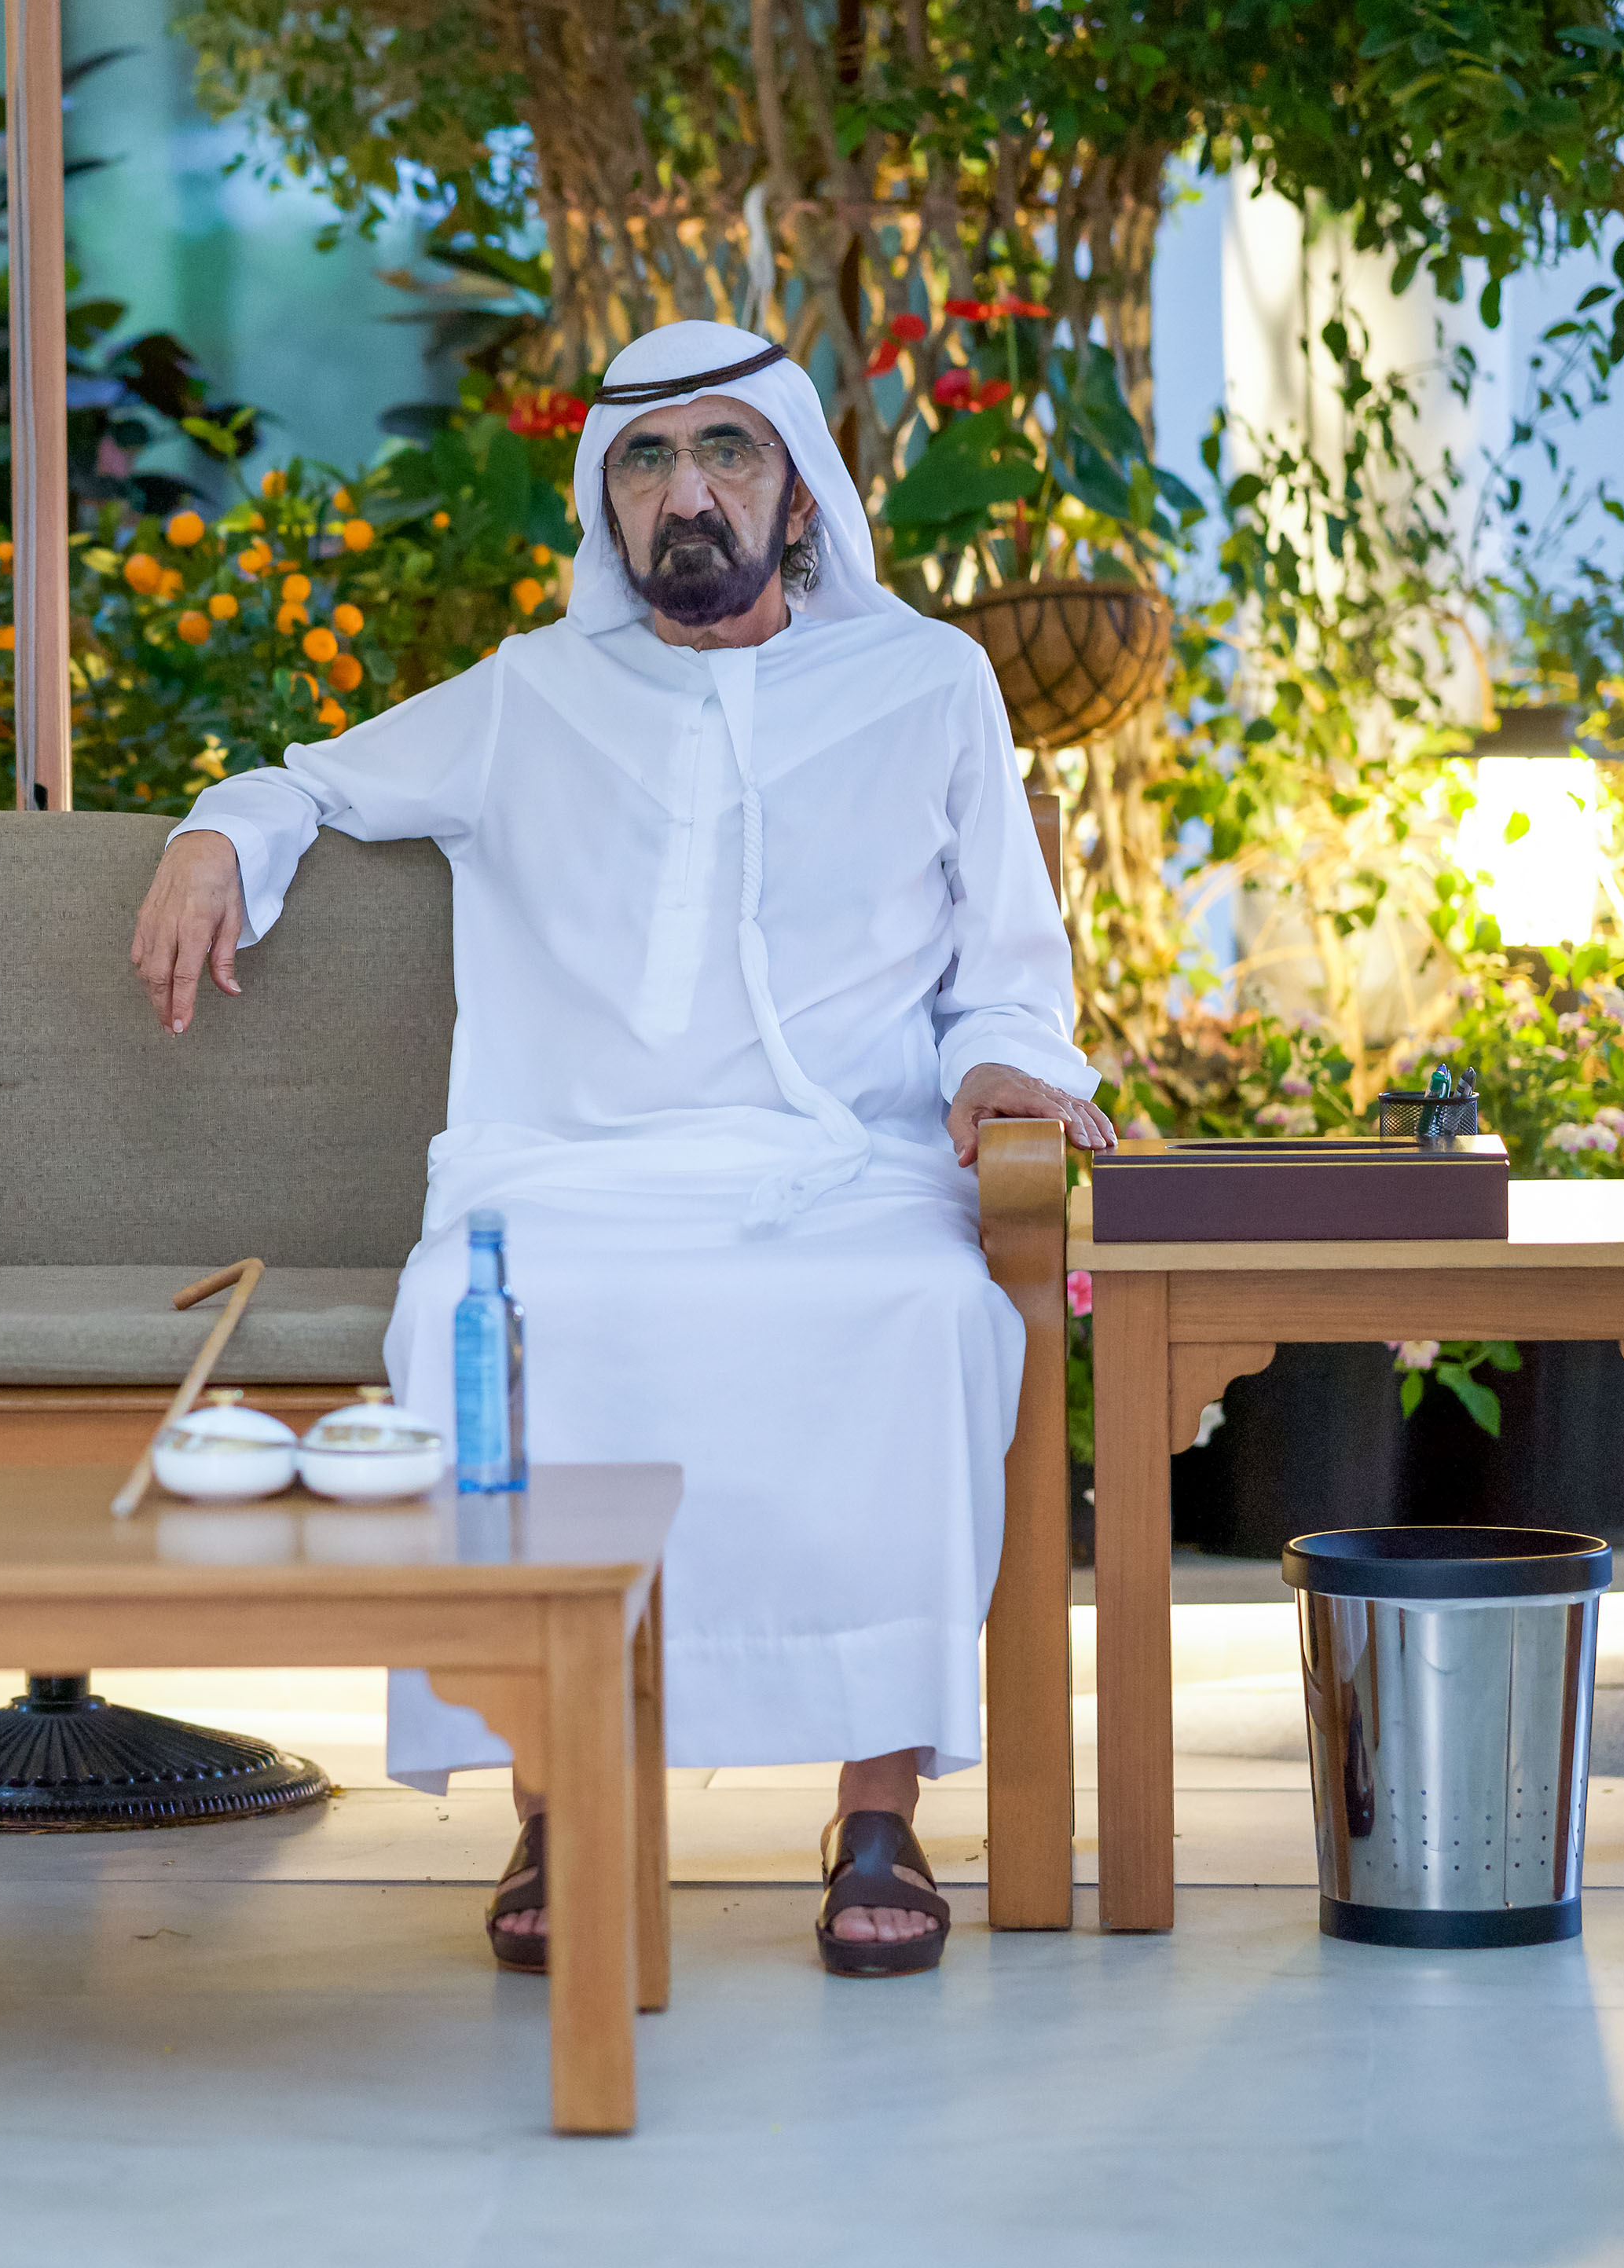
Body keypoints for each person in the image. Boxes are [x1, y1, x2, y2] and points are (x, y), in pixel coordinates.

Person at [129, 319, 1108, 1977]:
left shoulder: (928, 682)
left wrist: (1005, 1066)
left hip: (844, 1175)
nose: (686, 494)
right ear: (605, 503)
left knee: (928, 1311)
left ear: (798, 492)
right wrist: (215, 833)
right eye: (645, 461)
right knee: (485, 1322)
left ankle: (876, 1810)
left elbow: (1007, 971)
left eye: (726, 451)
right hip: (563, 1182)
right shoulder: (531, 693)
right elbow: (313, 784)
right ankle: (559, 1794)